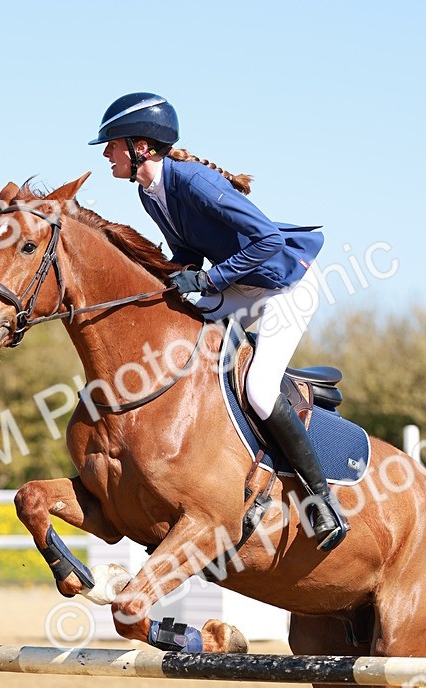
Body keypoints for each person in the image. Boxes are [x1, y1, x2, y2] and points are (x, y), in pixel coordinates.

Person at [89, 92, 347, 552]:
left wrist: (210, 277)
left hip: (284, 286)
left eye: (112, 144)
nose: (107, 153)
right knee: (174, 324)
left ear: (142, 147)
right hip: (240, 285)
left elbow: (267, 239)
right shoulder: (151, 194)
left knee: (260, 391)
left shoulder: (195, 182)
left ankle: (320, 500)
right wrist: (166, 280)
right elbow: (187, 253)